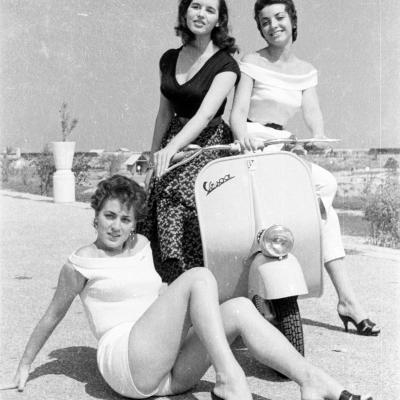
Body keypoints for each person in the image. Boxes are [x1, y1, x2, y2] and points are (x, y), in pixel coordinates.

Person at [0, 175, 373, 400]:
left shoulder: (142, 246)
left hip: (169, 373)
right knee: (199, 277)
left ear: (134, 224)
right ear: (95, 216)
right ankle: (230, 378)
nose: (116, 226)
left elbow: (159, 299)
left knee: (240, 308)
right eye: (109, 216)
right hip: (127, 363)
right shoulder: (80, 263)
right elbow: (51, 316)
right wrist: (25, 365)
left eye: (125, 219)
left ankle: (312, 381)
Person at [229, 0, 380, 336]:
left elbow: (313, 114)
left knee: (324, 187)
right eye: (265, 21)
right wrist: (242, 138)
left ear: (292, 20)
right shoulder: (251, 62)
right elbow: (237, 113)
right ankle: (341, 299)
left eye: (279, 17)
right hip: (252, 141)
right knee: (302, 199)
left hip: (282, 143)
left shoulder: (306, 71)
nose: (273, 25)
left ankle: (344, 297)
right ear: (260, 28)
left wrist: (317, 137)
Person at [138, 0, 240, 283]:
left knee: (181, 198)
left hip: (209, 143)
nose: (201, 14)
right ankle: (167, 280)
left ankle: (192, 277)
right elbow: (164, 112)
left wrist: (172, 149)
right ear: (185, 12)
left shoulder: (226, 64)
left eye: (210, 10)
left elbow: (205, 116)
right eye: (196, 6)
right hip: (173, 135)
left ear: (219, 20)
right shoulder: (168, 59)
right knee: (153, 198)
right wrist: (154, 156)